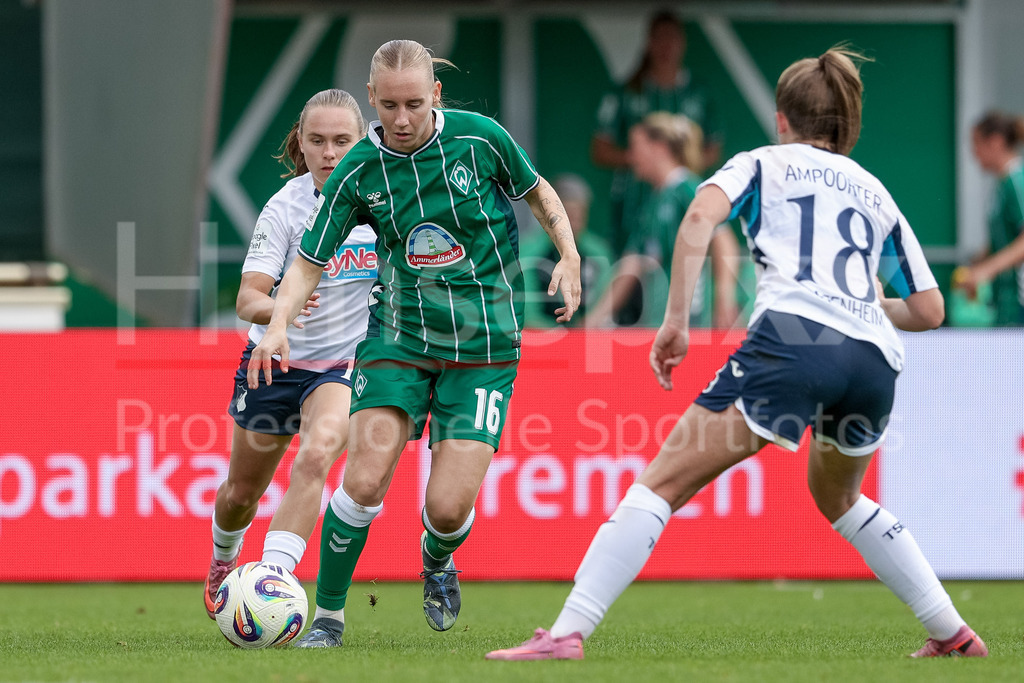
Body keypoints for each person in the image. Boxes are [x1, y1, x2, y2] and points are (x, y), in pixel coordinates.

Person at [487, 46, 988, 661]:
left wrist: (672, 322)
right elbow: (930, 310)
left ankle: (565, 635)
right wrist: (858, 307)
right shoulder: (875, 193)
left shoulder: (763, 163)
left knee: (660, 484)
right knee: (840, 497)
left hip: (795, 341)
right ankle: (952, 632)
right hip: (874, 362)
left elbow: (700, 215)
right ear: (846, 122)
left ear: (782, 118)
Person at [246, 39, 581, 648]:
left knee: (449, 508)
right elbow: (307, 264)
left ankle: (437, 554)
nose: (402, 119)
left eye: (415, 104)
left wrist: (570, 254)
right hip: (397, 340)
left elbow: (539, 191)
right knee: (365, 479)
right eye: (390, 104)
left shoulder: (481, 139)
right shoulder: (358, 169)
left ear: (437, 97)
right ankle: (328, 617)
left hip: (485, 350)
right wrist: (276, 324)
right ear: (371, 98)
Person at [202, 89, 376, 617]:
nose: (329, 153)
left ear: (363, 140)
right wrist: (279, 308)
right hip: (274, 364)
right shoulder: (286, 207)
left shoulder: (387, 199)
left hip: (343, 366)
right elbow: (247, 297)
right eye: (317, 140)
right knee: (240, 494)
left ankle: (271, 583)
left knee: (318, 453)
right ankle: (222, 559)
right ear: (300, 143)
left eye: (342, 141)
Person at [592, 10, 724, 260]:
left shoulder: (699, 93)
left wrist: (674, 171)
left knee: (683, 259)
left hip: (681, 203)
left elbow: (714, 148)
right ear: (648, 43)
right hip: (633, 201)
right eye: (659, 38)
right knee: (632, 265)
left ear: (682, 43)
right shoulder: (628, 91)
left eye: (672, 39)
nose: (666, 46)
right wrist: (642, 159)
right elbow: (600, 148)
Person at [587, 112, 739, 328]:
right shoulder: (654, 201)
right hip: (659, 323)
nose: (631, 157)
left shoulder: (689, 190)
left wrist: (725, 297)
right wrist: (593, 320)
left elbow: (724, 240)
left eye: (636, 147)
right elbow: (631, 265)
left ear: (659, 148)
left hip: (691, 323)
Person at [952, 110, 1024, 325]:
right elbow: (1004, 241)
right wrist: (977, 263)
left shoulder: (1017, 181)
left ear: (996, 142)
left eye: (976, 143)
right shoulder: (1002, 185)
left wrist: (985, 270)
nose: (973, 152)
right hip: (1004, 301)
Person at [520, 173, 614, 327]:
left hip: (589, 338)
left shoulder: (598, 251)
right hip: (540, 340)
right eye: (569, 217)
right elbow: (527, 312)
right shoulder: (529, 251)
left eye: (580, 216)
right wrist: (559, 336)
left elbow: (605, 302)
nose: (575, 225)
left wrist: (586, 327)